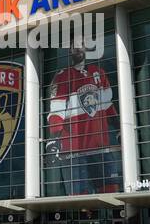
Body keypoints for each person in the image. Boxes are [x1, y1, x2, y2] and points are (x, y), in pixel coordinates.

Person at [47, 45, 120, 194]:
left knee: (112, 195)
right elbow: (56, 112)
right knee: (81, 202)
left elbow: (107, 105)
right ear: (70, 51)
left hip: (100, 148)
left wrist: (119, 128)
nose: (78, 50)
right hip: (74, 153)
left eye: (81, 46)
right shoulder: (62, 76)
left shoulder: (99, 73)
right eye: (74, 47)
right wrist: (54, 139)